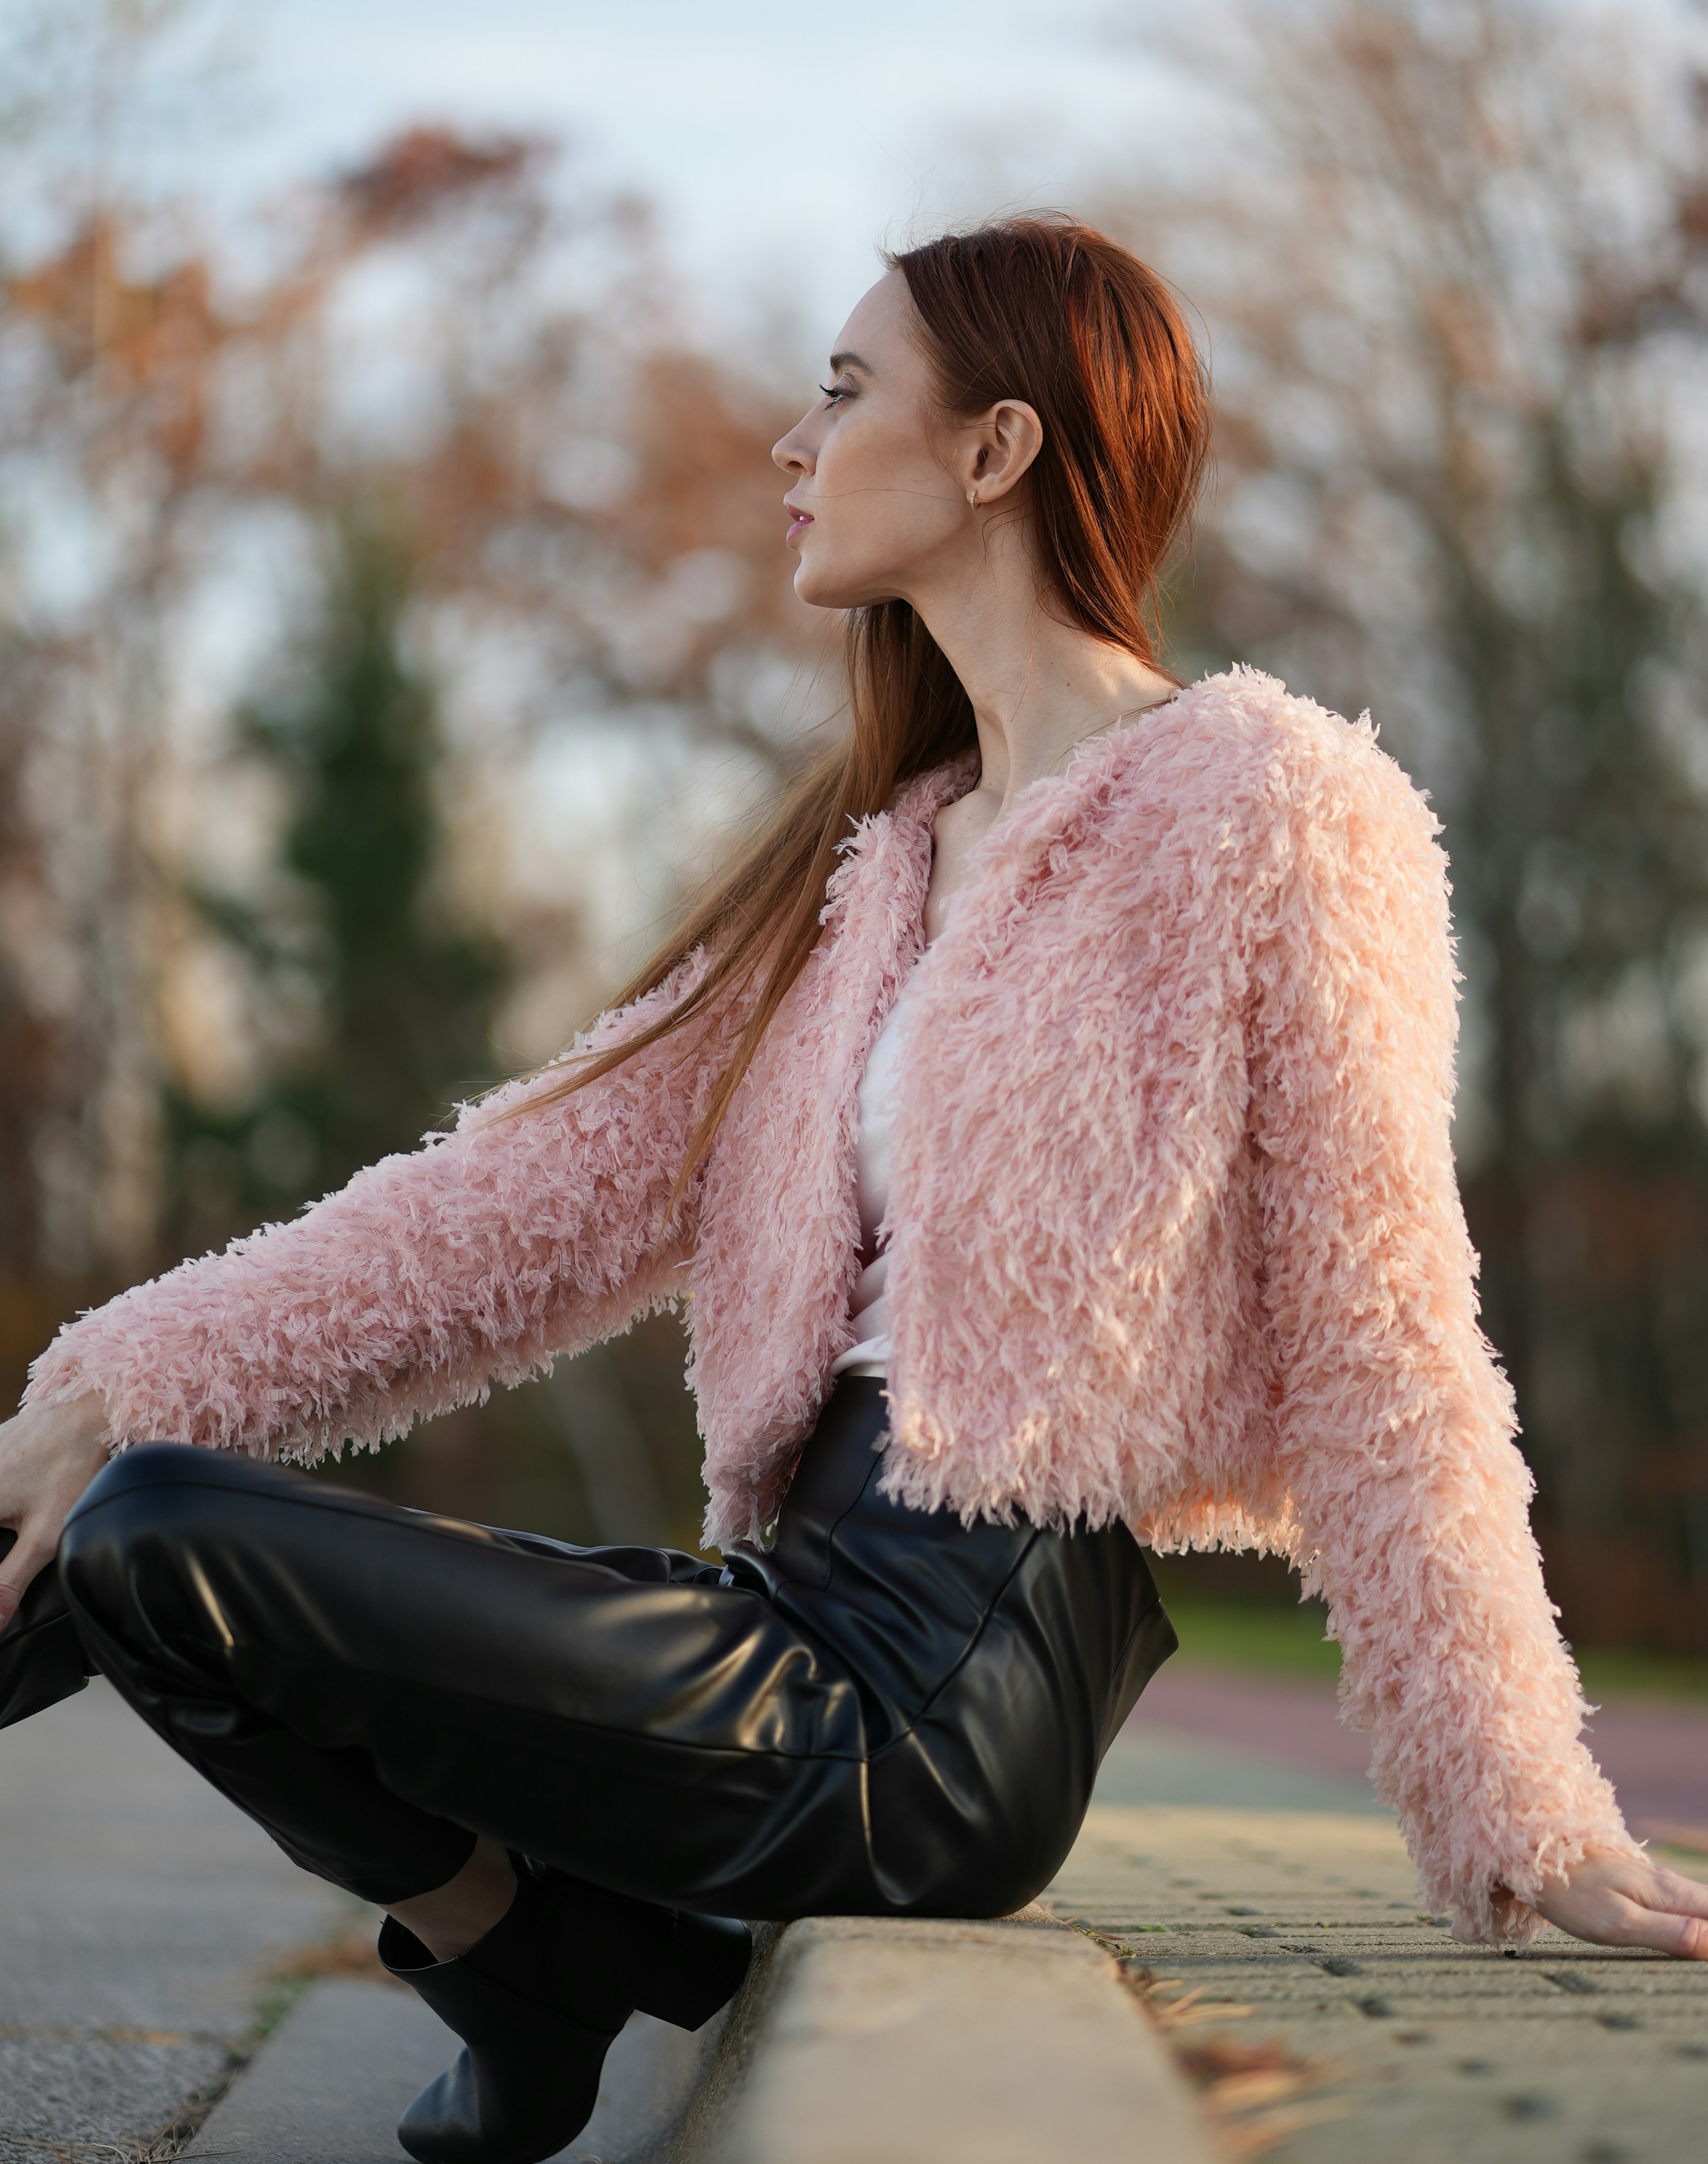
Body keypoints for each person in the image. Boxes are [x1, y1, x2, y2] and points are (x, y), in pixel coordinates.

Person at [0, 216, 1702, 2164]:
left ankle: (530, 1957)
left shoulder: (1271, 803)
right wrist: (100, 1386)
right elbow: (496, 1208)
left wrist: (1518, 1808)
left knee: (154, 1534)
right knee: (106, 1525)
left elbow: (1386, 1318)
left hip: (945, 1697)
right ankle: (517, 1951)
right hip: (784, 1607)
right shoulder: (877, 867)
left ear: (996, 451)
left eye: (841, 390)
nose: (790, 448)